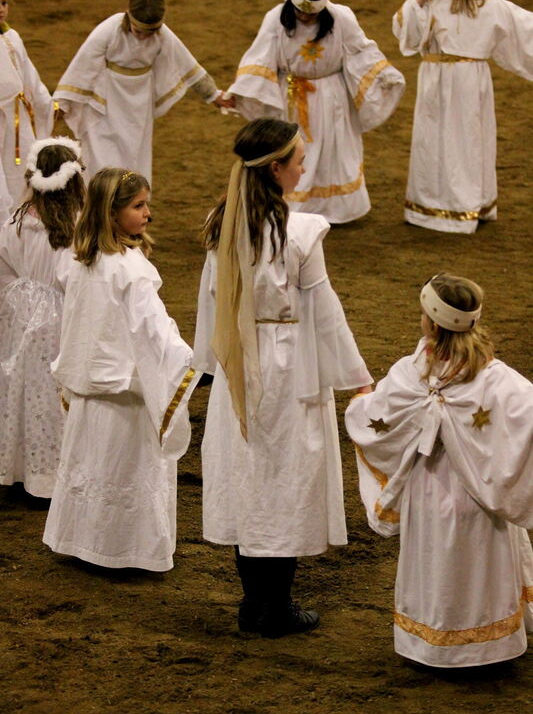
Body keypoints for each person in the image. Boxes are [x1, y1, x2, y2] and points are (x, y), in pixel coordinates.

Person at [194, 118, 373, 637]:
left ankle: (254, 602)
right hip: (290, 367)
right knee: (287, 479)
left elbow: (211, 301)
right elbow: (324, 312)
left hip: (239, 366)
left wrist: (208, 366)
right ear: (275, 170)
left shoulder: (221, 223)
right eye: (296, 159)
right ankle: (276, 608)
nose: (303, 165)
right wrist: (358, 378)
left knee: (247, 476)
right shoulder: (302, 230)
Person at [345, 272, 533, 667]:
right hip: (481, 501)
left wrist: (361, 401)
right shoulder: (500, 383)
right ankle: (490, 648)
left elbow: (375, 422)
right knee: (482, 567)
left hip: (429, 493)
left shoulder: (409, 376)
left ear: (429, 321)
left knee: (433, 564)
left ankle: (430, 645)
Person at [43, 167, 199, 571]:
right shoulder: (132, 269)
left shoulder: (79, 262)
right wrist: (188, 359)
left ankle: (82, 541)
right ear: (111, 213)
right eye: (138, 205)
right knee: (125, 470)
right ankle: (125, 551)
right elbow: (152, 331)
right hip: (126, 396)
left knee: (89, 466)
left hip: (89, 387)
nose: (148, 213)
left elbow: (76, 322)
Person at [225, 0, 405, 224]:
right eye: (300, 12)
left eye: (312, 14)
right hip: (293, 98)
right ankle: (296, 207)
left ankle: (337, 210)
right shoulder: (275, 18)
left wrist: (384, 73)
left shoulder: (341, 17)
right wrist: (242, 89)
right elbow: (260, 56)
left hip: (333, 98)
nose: (306, 18)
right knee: (296, 151)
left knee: (335, 149)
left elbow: (361, 51)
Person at [393, 0, 533, 233]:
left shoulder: (485, 4)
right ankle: (428, 205)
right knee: (431, 141)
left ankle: (465, 203)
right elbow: (407, 37)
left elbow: (524, 29)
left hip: (467, 83)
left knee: (465, 140)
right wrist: (418, 0)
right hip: (433, 81)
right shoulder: (424, 0)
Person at [53, 0, 232, 184]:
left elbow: (187, 64)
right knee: (101, 156)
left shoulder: (163, 35)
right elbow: (82, 66)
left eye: (151, 33)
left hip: (139, 106)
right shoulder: (109, 29)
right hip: (104, 103)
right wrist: (62, 104)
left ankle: (130, 206)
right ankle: (101, 204)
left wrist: (213, 94)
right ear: (129, 16)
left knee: (134, 155)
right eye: (139, 31)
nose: (144, 38)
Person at [0, 137, 85, 497]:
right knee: (53, 396)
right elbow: (77, 279)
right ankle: (48, 478)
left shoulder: (15, 222)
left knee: (19, 389)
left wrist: (17, 299)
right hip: (60, 319)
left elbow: (4, 267)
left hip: (19, 315)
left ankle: (20, 470)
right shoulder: (78, 228)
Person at [0, 0, 56, 223]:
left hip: (18, 122)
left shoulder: (13, 37)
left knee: (20, 174)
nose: (1, 8)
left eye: (4, 2)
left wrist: (47, 104)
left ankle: (18, 228)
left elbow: (30, 78)